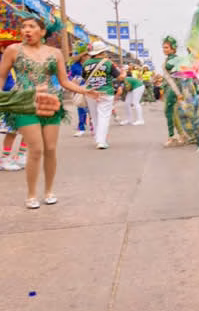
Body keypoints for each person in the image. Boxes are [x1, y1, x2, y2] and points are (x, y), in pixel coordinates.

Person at [0, 13, 97, 207]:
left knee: (50, 149)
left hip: (51, 103)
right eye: (24, 26)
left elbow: (64, 81)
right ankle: (31, 194)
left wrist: (85, 90)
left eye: (31, 26)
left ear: (43, 31)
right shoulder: (13, 50)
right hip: (24, 103)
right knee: (36, 149)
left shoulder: (55, 53)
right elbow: (2, 76)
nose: (26, 30)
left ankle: (49, 191)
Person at [82, 41, 121, 150]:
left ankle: (98, 139)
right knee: (104, 116)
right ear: (103, 52)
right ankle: (101, 141)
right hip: (105, 92)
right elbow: (118, 77)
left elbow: (84, 77)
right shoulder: (108, 63)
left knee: (94, 117)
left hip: (90, 92)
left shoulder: (86, 63)